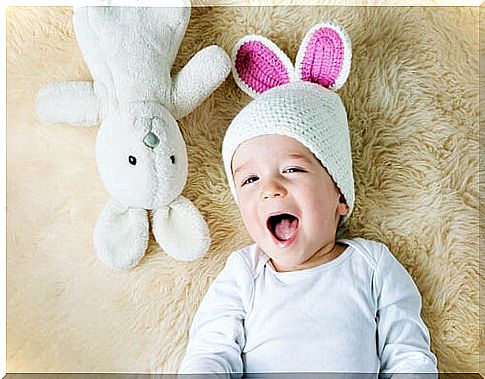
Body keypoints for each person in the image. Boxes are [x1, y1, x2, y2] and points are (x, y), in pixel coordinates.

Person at [178, 21, 438, 376]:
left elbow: (409, 354)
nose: (271, 188)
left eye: (292, 170)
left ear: (339, 196)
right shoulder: (245, 273)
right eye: (250, 179)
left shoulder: (371, 265)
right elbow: (210, 352)